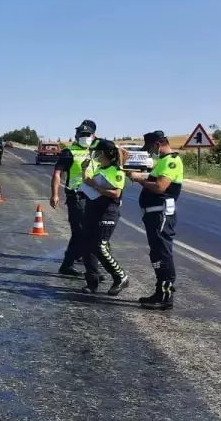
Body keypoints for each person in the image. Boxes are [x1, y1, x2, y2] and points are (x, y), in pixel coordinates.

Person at [129, 130, 182, 309]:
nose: (150, 152)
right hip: (153, 214)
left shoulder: (172, 161)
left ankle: (166, 295)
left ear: (158, 145)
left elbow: (160, 187)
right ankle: (159, 292)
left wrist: (139, 180)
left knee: (163, 253)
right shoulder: (162, 162)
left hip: (161, 214)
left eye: (151, 148)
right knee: (156, 253)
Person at [78, 139, 130, 295]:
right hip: (94, 209)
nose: (96, 155)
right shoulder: (102, 168)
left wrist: (97, 187)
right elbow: (88, 182)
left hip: (107, 211)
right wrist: (84, 170)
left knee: (100, 246)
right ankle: (92, 282)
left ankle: (120, 276)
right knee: (88, 245)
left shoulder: (116, 171)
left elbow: (116, 193)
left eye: (99, 152)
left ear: (106, 154)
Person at [51, 120, 100, 277]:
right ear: (76, 135)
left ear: (93, 135)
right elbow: (57, 173)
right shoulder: (69, 152)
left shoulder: (97, 151)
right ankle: (88, 269)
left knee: (93, 233)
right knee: (80, 233)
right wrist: (55, 194)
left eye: (87, 134)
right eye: (81, 134)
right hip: (77, 197)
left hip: (96, 197)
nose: (84, 137)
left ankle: (72, 264)